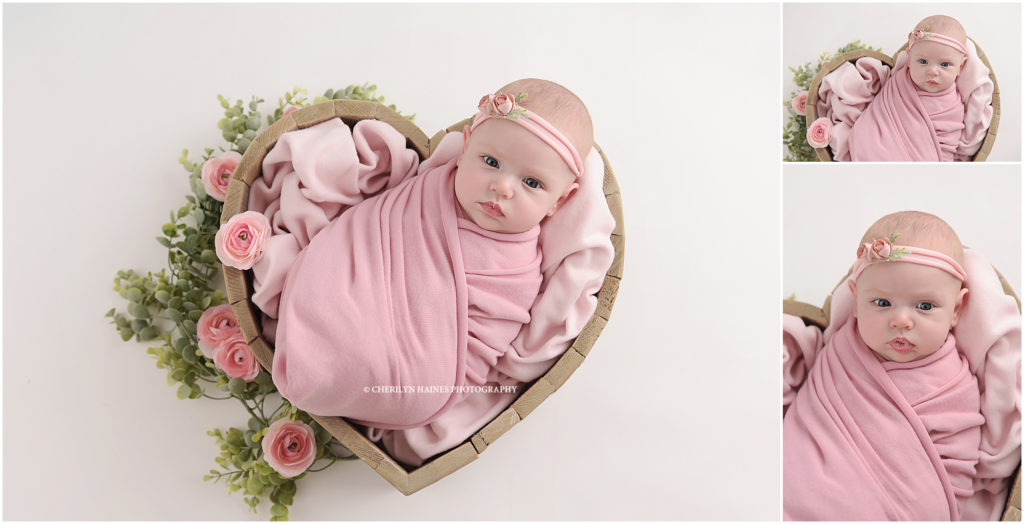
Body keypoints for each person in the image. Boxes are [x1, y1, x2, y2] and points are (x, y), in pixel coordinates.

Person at [783, 211, 984, 520]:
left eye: (925, 306)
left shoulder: (954, 385)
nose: (901, 321)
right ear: (856, 299)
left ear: (956, 309)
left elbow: (954, 472)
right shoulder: (842, 350)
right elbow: (809, 424)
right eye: (881, 303)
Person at [848, 15, 969, 160]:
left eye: (944, 64)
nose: (932, 71)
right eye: (923, 61)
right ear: (910, 59)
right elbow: (879, 115)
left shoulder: (953, 106)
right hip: (873, 147)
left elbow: (947, 146)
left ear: (960, 67)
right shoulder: (900, 82)